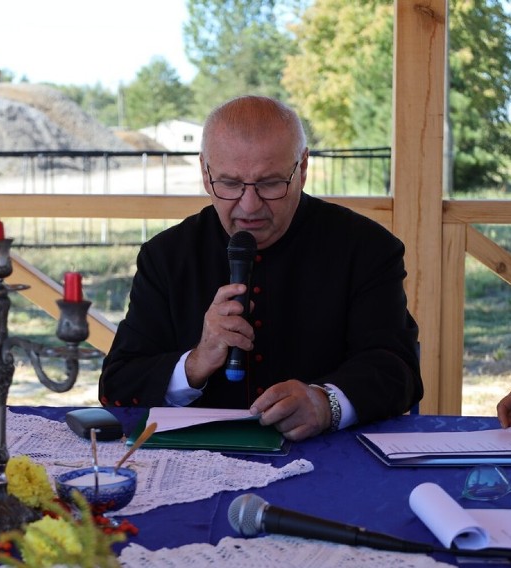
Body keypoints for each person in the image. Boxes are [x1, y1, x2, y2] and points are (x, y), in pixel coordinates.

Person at [99, 95, 423, 441]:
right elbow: (118, 384)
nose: (249, 206)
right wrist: (195, 362)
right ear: (206, 175)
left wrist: (325, 403)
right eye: (230, 183)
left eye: (270, 183)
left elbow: (397, 371)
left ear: (302, 169)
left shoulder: (366, 248)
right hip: (200, 459)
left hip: (327, 456)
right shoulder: (166, 255)